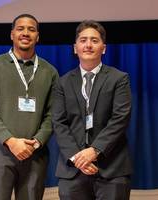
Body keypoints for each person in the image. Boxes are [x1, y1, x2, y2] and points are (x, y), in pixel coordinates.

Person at [0, 14, 59, 200]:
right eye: (20, 28)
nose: (25, 33)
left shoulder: (50, 71)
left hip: (34, 153)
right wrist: (11, 141)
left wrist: (36, 142)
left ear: (37, 36)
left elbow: (53, 114)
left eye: (31, 29)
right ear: (12, 34)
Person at [52, 20, 132, 200]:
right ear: (75, 48)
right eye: (83, 40)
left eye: (94, 41)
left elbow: (120, 118)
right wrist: (77, 158)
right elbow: (59, 123)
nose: (88, 45)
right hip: (72, 170)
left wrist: (94, 150)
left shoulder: (119, 79)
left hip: (112, 169)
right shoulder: (62, 82)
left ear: (103, 48)